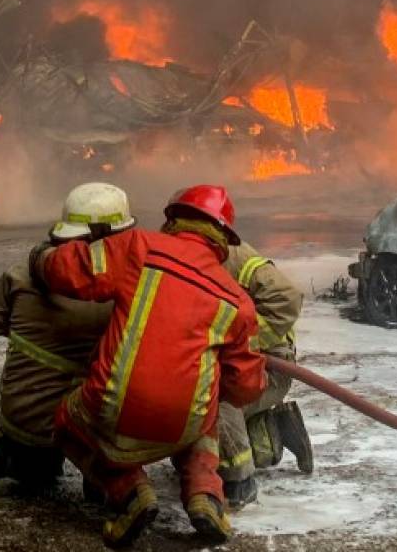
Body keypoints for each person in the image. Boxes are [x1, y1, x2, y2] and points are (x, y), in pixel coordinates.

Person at [34, 183, 265, 548]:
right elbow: (246, 386)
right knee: (206, 411)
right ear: (223, 236)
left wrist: (41, 259)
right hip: (183, 428)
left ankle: (128, 488)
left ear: (173, 220)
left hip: (113, 410)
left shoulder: (139, 247)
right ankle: (206, 495)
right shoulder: (237, 300)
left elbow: (73, 271)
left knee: (65, 422)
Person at [0, 182, 128, 505]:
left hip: (23, 411)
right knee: (109, 455)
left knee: (35, 470)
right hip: (87, 421)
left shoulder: (23, 273)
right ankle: (103, 480)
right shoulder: (125, 287)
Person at [215, 239, 314, 507]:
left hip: (269, 365)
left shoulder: (237, 259)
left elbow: (288, 299)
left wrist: (243, 343)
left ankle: (240, 482)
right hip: (232, 361)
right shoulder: (186, 255)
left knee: (218, 400)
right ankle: (269, 424)